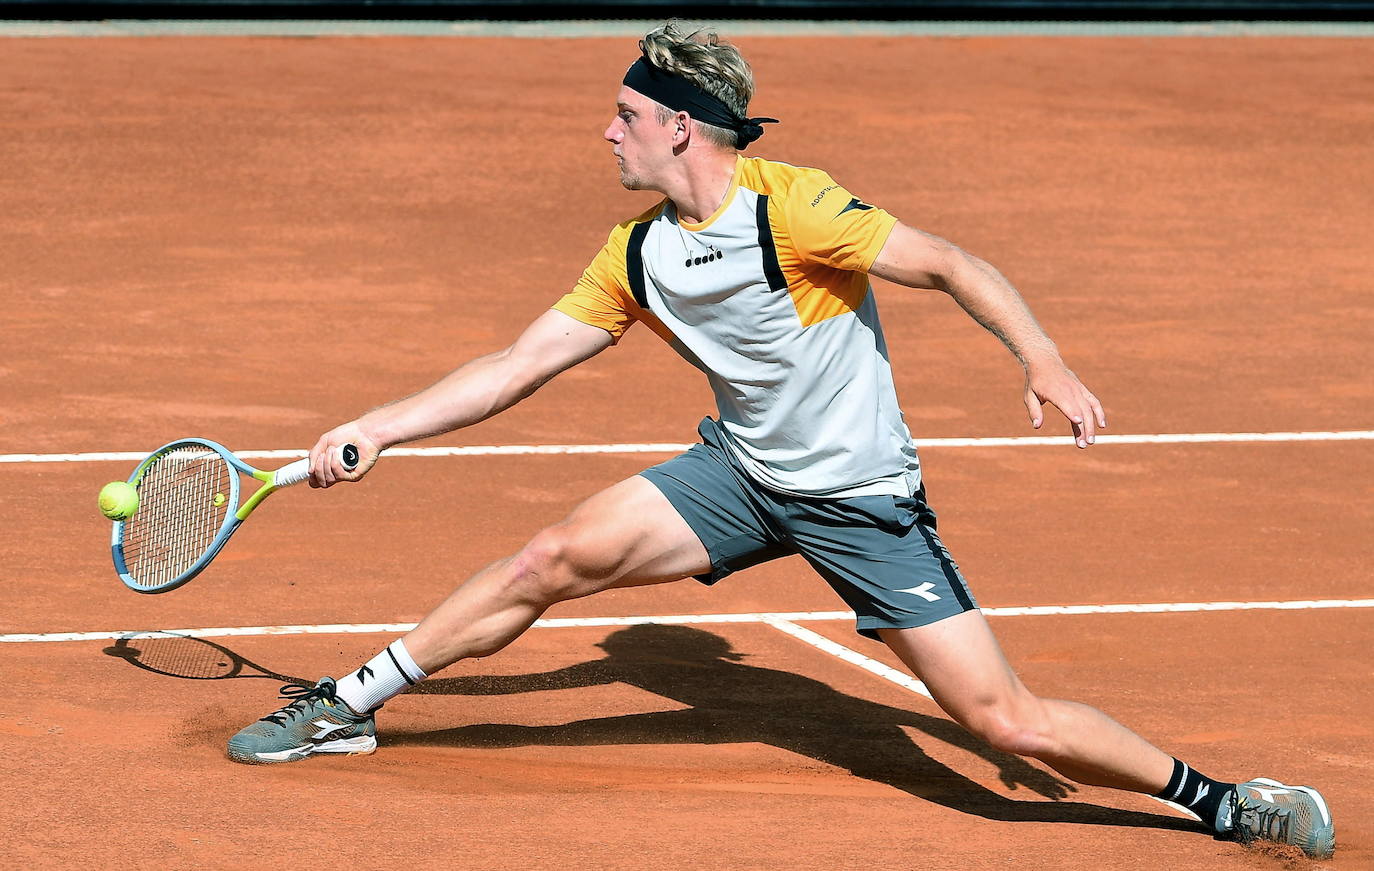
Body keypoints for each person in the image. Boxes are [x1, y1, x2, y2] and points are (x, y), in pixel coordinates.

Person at [227, 22, 1334, 860]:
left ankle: (1228, 800)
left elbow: (950, 261)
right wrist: (378, 427)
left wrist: (1038, 355)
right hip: (741, 476)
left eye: (623, 113)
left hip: (860, 501)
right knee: (547, 557)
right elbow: (517, 365)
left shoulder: (791, 209)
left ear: (678, 127)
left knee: (1009, 727)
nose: (606, 130)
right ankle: (350, 703)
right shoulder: (637, 253)